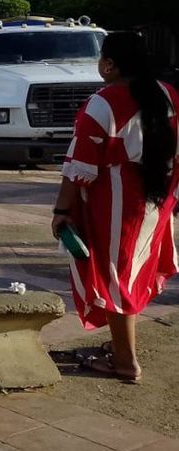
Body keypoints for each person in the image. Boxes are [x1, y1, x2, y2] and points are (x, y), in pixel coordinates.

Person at [52, 32, 179, 383]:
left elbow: (78, 165)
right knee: (130, 274)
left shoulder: (103, 102)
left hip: (116, 205)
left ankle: (125, 362)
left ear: (108, 64)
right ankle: (119, 347)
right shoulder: (169, 96)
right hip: (156, 204)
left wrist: (61, 212)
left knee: (115, 280)